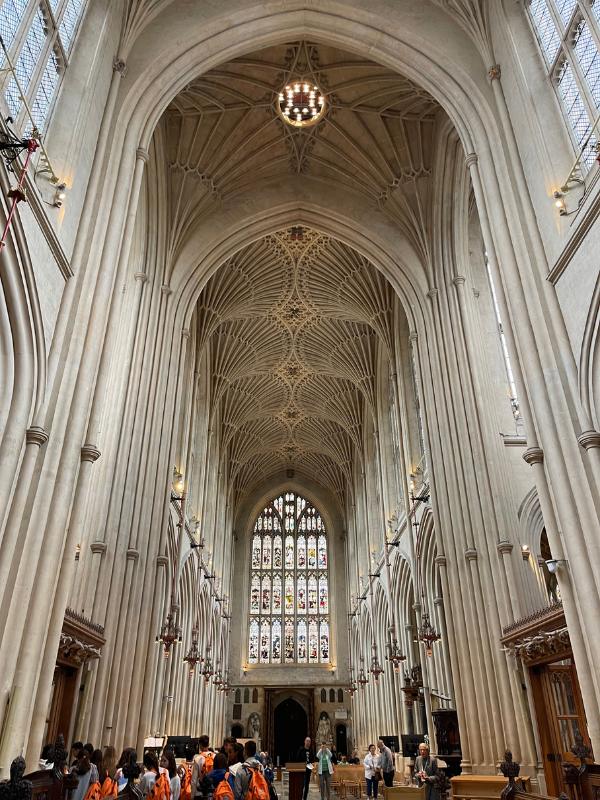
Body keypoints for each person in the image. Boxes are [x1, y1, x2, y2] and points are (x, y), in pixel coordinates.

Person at [191, 736, 214, 800]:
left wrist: (192, 796)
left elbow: (194, 780)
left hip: (200, 793)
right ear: (208, 744)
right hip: (211, 792)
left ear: (200, 745)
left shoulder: (197, 759)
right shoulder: (215, 757)